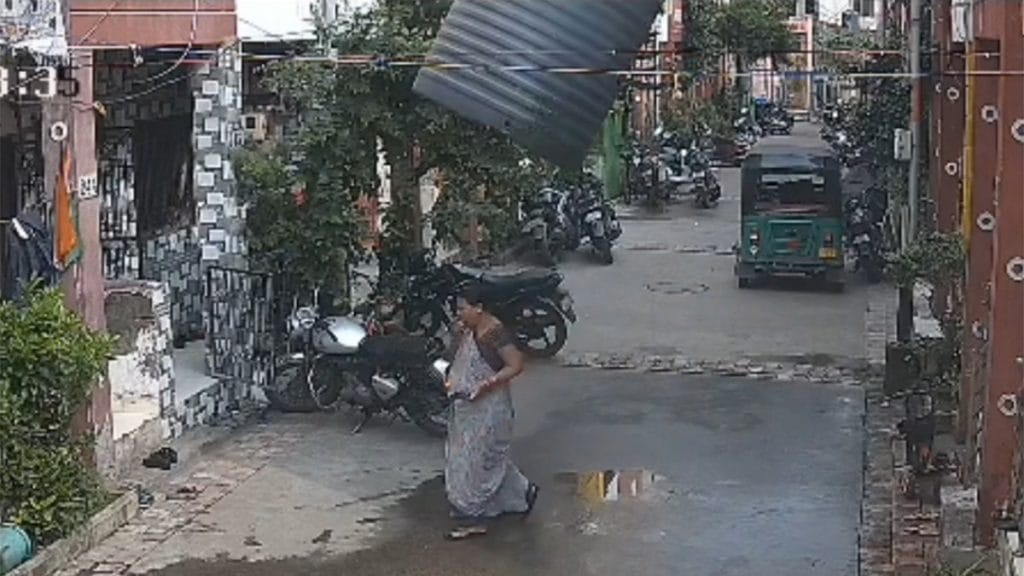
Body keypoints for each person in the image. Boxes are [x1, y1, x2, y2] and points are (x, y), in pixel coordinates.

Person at [443, 284, 539, 540]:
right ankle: (522, 492)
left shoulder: (493, 333)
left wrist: (487, 384)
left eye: (463, 309)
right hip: (467, 407)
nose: (459, 314)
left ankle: (474, 517)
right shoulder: (469, 331)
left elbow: (516, 365)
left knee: (475, 463)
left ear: (479, 308)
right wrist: (457, 335)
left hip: (489, 408)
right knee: (481, 459)